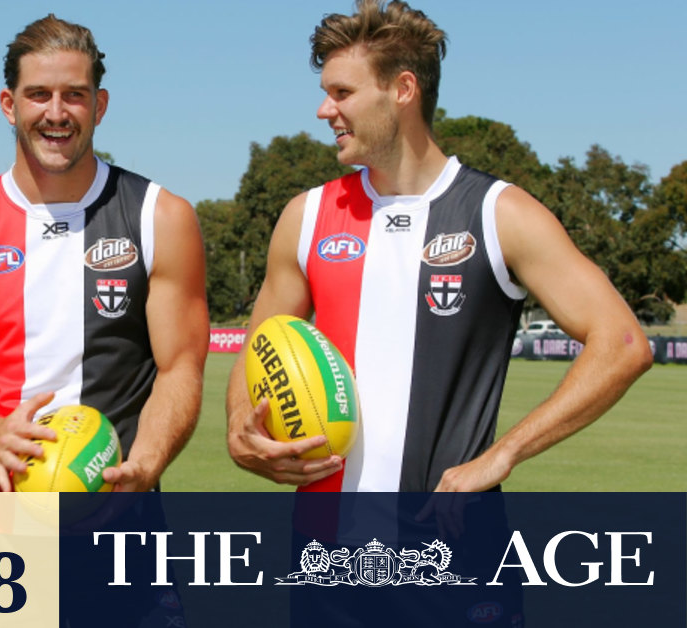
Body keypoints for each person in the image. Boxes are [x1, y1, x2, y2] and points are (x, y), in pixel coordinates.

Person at [226, 0, 651, 493]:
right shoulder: (306, 216)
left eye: (343, 92)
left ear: (404, 89)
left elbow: (622, 345)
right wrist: (242, 428)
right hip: (323, 547)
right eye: (326, 93)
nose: (325, 110)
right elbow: (256, 349)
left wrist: (504, 453)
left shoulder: (499, 213)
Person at [0, 14, 209, 495]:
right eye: (38, 95)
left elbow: (181, 368)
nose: (56, 112)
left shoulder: (160, 218)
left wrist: (145, 464)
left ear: (99, 105)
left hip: (120, 516)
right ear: (9, 105)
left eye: (74, 94)